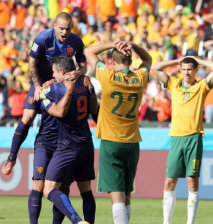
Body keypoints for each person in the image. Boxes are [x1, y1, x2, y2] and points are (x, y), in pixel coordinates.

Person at [1, 12, 87, 175]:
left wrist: (78, 73)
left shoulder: (76, 41)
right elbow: (32, 63)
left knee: (63, 119)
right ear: (54, 26)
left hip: (60, 85)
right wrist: (38, 86)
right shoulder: (43, 38)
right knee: (27, 117)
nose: (64, 32)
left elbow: (84, 66)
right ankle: (12, 157)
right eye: (61, 28)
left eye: (68, 29)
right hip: (40, 82)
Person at [84, 41, 152, 224]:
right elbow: (147, 58)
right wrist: (134, 45)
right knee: (127, 193)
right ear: (130, 62)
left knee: (116, 195)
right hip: (132, 142)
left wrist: (113, 43)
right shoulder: (139, 77)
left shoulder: (107, 75)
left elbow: (88, 51)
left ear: (112, 62)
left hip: (111, 141)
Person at [151, 56, 213, 224]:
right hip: (176, 138)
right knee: (169, 181)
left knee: (192, 180)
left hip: (194, 137)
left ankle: (190, 222)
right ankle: (166, 222)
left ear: (196, 70)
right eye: (183, 69)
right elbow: (155, 68)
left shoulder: (201, 86)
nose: (186, 72)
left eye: (190, 69)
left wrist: (199, 60)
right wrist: (177, 61)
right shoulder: (174, 84)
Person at [29, 72, 97, 224]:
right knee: (86, 191)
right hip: (86, 142)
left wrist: (41, 87)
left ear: (62, 73)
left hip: (67, 145)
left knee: (49, 189)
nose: (52, 74)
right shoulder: (84, 82)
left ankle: (77, 221)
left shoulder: (56, 90)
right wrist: (87, 83)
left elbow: (59, 112)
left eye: (54, 71)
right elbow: (95, 112)